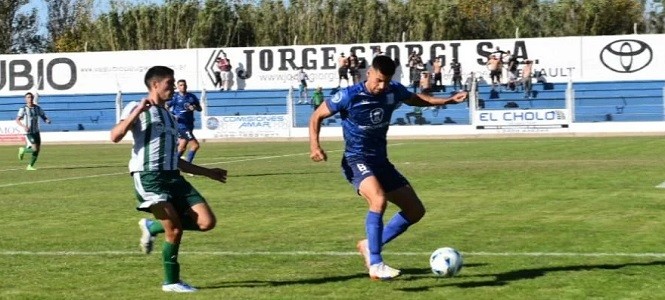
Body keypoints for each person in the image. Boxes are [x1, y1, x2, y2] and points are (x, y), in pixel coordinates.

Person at [308, 55, 467, 280]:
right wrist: (315, 146)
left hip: (381, 162)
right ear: (370, 73)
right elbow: (316, 116)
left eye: (387, 81)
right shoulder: (349, 95)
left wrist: (448, 101)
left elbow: (417, 99)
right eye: (379, 80)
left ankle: (368, 245)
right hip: (356, 159)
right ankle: (376, 263)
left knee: (415, 210)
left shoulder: (393, 90)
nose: (382, 86)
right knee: (378, 200)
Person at [110, 66, 228, 293]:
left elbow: (175, 158)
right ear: (155, 85)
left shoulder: (171, 117)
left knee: (206, 222)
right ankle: (171, 282)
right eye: (169, 84)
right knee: (174, 229)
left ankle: (152, 227)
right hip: (149, 177)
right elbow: (115, 136)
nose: (173, 88)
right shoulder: (136, 107)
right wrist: (138, 112)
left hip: (174, 177)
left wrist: (208, 172)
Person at [166, 79, 202, 164]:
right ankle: (188, 166)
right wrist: (172, 115)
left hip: (189, 124)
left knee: (182, 147)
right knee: (195, 145)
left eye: (184, 85)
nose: (183, 87)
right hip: (181, 125)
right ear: (178, 87)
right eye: (181, 85)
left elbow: (200, 108)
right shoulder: (175, 97)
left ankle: (173, 166)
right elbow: (165, 106)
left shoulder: (191, 96)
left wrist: (194, 107)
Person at [16, 92, 51, 170]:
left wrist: (47, 120)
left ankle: (30, 166)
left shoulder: (37, 108)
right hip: (28, 131)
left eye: (31, 97)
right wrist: (24, 126)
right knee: (34, 148)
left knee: (37, 149)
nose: (30, 99)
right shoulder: (23, 109)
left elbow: (43, 116)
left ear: (33, 98)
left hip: (36, 131)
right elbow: (17, 120)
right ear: (25, 99)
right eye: (28, 97)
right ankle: (23, 150)